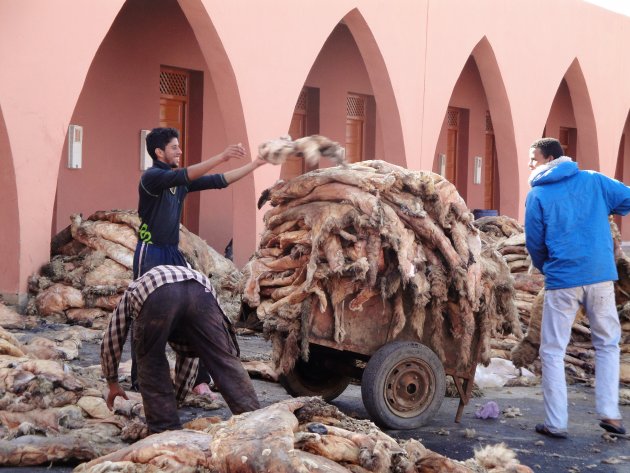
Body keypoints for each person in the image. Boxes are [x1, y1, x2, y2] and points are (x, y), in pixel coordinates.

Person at [132, 127, 268, 393]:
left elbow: (219, 181)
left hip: (172, 252)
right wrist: (222, 155)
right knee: (147, 319)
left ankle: (199, 380)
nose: (179, 151)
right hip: (150, 253)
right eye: (174, 147)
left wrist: (254, 165)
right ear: (159, 152)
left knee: (196, 310)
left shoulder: (178, 182)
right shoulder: (152, 177)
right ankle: (142, 381)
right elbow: (185, 174)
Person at [525, 137, 630, 438]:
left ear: (548, 158)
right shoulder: (594, 181)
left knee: (553, 350)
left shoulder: (538, 195)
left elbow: (534, 242)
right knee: (608, 344)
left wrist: (550, 268)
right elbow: (627, 200)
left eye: (533, 158)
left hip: (562, 280)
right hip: (599, 276)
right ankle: (611, 414)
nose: (530, 165)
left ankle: (556, 423)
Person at [101, 265, 260, 434]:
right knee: (224, 361)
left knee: (151, 359)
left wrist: (112, 382)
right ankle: (256, 422)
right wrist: (177, 399)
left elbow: (113, 336)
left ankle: (165, 430)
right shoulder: (188, 325)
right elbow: (191, 359)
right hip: (201, 289)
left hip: (157, 293)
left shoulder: (131, 291)